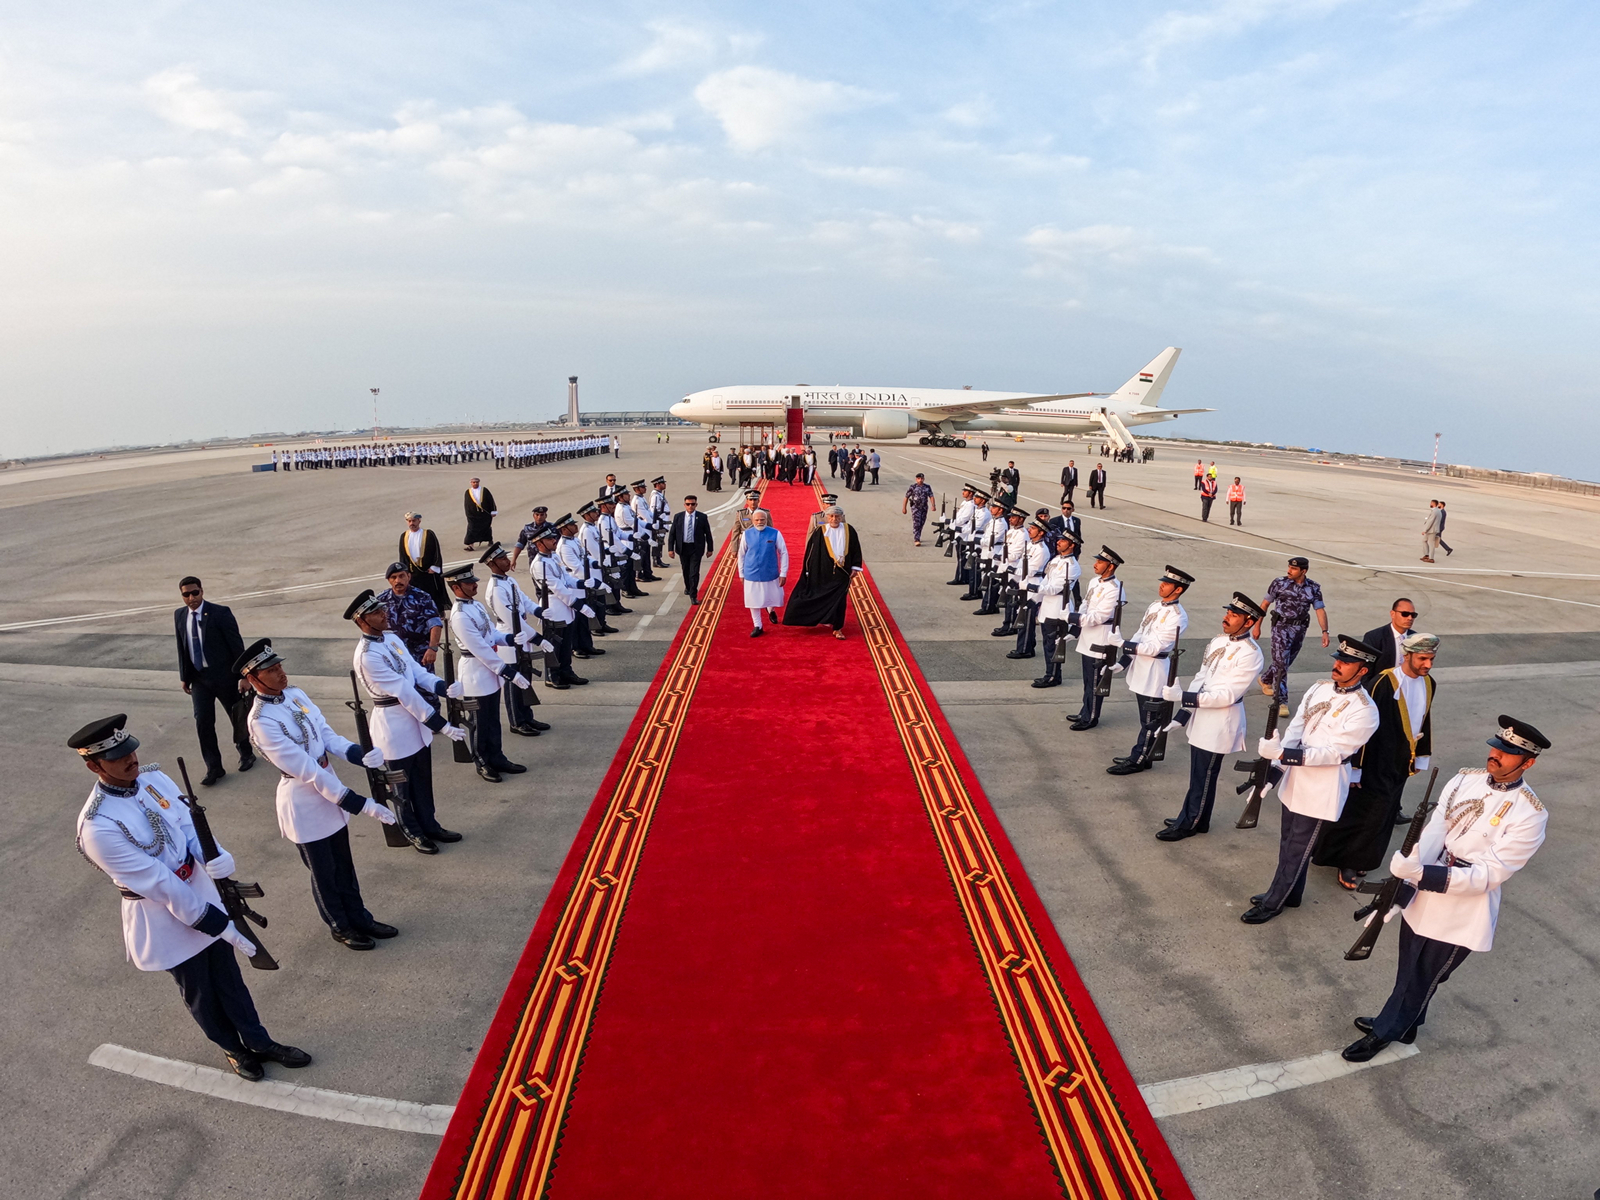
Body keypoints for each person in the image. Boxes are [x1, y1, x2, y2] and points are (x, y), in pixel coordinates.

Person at [71, 713, 311, 1081]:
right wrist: (219, 924)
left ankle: (259, 1041)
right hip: (160, 913)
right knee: (201, 989)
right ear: (94, 766)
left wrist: (213, 855)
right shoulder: (98, 826)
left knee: (230, 979)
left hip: (198, 888)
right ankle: (232, 1048)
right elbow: (159, 884)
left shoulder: (152, 779)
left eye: (130, 750)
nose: (130, 759)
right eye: (117, 757)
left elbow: (187, 824)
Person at [1341, 715, 1550, 1063]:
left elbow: (1490, 875)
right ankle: (1406, 1024)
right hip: (1427, 885)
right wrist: (1407, 877)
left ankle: (1386, 1030)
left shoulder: (1531, 813)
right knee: (1409, 966)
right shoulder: (1465, 779)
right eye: (1496, 746)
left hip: (1464, 907)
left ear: (1527, 763)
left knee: (1424, 975)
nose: (1496, 754)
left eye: (1508, 752)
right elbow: (1435, 831)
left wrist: (1423, 875)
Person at [238, 638, 402, 951]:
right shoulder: (261, 721)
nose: (280, 673)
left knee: (344, 865)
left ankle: (360, 917)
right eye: (271, 670)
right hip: (304, 800)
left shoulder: (295, 694)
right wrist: (363, 805)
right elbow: (307, 770)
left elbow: (325, 734)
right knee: (324, 871)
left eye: (279, 666)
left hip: (330, 789)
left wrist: (358, 753)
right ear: (253, 678)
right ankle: (340, 925)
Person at [1239, 635, 1381, 925]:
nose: (1338, 665)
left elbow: (1334, 753)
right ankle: (1292, 893)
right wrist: (1275, 768)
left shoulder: (1365, 710)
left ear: (1363, 670)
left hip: (1321, 785)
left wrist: (1285, 755)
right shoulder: (1319, 688)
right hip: (1296, 777)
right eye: (1338, 659)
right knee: (1288, 841)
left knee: (1297, 848)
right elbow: (1296, 728)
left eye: (1346, 663)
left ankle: (1274, 901)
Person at [347, 589, 468, 853]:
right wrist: (441, 725)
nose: (384, 614)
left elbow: (414, 671)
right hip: (394, 726)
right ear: (362, 620)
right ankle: (412, 831)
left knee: (423, 780)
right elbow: (404, 691)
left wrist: (442, 686)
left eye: (382, 609)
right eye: (377, 612)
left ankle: (430, 825)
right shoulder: (367, 655)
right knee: (402, 787)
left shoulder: (391, 638)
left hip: (414, 721)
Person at [1315, 631, 1437, 888]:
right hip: (1374, 761)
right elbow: (1362, 729)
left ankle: (1364, 859)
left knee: (1384, 814)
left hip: (1400, 764)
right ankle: (1345, 861)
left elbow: (1424, 720)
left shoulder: (1429, 683)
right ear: (1407, 656)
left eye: (1431, 659)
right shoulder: (1383, 683)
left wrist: (1419, 757)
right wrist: (1356, 768)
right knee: (1363, 812)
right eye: (1423, 659)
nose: (1428, 665)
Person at [1156, 593, 1265, 840]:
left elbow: (1227, 695)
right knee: (1199, 774)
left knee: (1204, 775)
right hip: (1202, 717)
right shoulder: (1218, 641)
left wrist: (1184, 697)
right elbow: (1201, 677)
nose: (1226, 617)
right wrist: (1184, 713)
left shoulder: (1250, 653)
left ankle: (1189, 823)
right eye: (1228, 612)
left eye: (1234, 615)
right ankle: (1198, 818)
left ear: (1249, 622)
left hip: (1220, 721)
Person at [444, 565, 531, 782]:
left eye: (473, 581)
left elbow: (491, 634)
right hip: (475, 674)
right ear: (456, 587)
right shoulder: (460, 615)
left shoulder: (476, 605)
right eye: (468, 583)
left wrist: (510, 639)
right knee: (479, 722)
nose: (474, 585)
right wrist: (508, 672)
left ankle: (497, 757)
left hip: (489, 672)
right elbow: (481, 649)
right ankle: (482, 761)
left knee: (493, 719)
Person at [1107, 565, 1192, 774]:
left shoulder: (1177, 616)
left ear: (1178, 589)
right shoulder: (1155, 606)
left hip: (1155, 672)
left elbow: (1155, 648)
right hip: (1141, 668)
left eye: (1167, 584)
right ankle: (1144, 755)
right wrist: (1124, 661)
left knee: (1150, 722)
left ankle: (1138, 759)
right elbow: (1141, 634)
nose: (1162, 586)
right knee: (1145, 719)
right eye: (1163, 582)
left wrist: (1123, 644)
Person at [174, 577, 252, 786]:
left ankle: (246, 753)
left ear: (202, 591)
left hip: (224, 676)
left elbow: (236, 645)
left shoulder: (220, 613)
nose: (191, 598)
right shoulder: (180, 615)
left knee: (236, 716)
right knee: (203, 722)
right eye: (186, 594)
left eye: (195, 593)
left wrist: (244, 676)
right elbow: (182, 646)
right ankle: (214, 767)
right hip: (199, 679)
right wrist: (184, 677)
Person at [480, 542, 553, 730]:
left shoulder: (509, 580)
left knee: (525, 678)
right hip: (509, 638)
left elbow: (524, 600)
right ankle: (517, 722)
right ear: (492, 564)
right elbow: (512, 621)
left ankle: (527, 717)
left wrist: (538, 611)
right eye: (502, 559)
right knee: (514, 684)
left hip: (522, 636)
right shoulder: (496, 589)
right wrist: (537, 638)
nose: (507, 561)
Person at [1257, 556, 1330, 711]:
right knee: (1281, 665)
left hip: (1299, 629)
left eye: (1294, 568)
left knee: (1286, 661)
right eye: (1289, 567)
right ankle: (1281, 701)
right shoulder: (1279, 583)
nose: (1289, 570)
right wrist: (1257, 626)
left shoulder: (1313, 588)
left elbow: (1320, 610)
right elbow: (1264, 604)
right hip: (1280, 627)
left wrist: (1325, 631)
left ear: (1304, 571)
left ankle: (1265, 679)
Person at [783, 504, 863, 639]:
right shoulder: (820, 531)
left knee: (840, 601)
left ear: (841, 517)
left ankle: (838, 628)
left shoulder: (849, 530)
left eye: (837, 516)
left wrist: (855, 567)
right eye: (831, 516)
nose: (834, 519)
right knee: (821, 597)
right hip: (823, 572)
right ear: (827, 517)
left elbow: (856, 549)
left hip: (842, 573)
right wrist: (808, 571)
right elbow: (811, 553)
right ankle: (824, 618)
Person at [528, 520, 590, 689]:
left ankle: (566, 671)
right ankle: (552, 675)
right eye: (549, 539)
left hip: (564, 607)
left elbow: (566, 578)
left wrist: (581, 584)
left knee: (566, 643)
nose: (554, 540)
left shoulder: (553, 557)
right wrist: (579, 605)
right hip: (553, 607)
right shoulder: (539, 564)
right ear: (540, 544)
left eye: (553, 538)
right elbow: (557, 588)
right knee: (555, 644)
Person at [1069, 545, 1125, 728]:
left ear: (1110, 566)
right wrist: (1078, 620)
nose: (1095, 564)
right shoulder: (1094, 582)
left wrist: (1072, 618)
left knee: (1095, 682)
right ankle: (1085, 710)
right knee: (1087, 680)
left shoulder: (1115, 589)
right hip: (1088, 636)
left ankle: (1091, 716)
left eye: (1100, 562)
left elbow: (1099, 617)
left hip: (1100, 638)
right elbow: (1085, 604)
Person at [1031, 529, 1081, 686]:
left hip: (1058, 609)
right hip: (1048, 607)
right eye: (1059, 540)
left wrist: (1032, 587)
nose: (1058, 542)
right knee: (1048, 644)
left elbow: (1054, 589)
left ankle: (1052, 676)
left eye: (1063, 541)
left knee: (1053, 645)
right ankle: (1050, 674)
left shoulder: (1071, 566)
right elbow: (1047, 580)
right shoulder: (1057, 559)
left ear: (1071, 545)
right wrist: (1035, 600)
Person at [379, 562, 443, 669]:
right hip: (393, 654)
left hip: (419, 654)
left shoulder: (422, 597)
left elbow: (435, 624)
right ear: (388, 580)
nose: (398, 581)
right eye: (393, 577)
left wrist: (432, 648)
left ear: (408, 576)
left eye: (401, 576)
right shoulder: (381, 600)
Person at [1007, 518, 1054, 660]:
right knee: (1022, 614)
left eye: (1033, 529)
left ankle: (1024, 649)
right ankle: (1027, 646)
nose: (1030, 530)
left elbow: (1032, 570)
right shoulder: (1030, 545)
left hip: (1032, 584)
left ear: (1041, 533)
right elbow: (1022, 564)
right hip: (1024, 582)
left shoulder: (1042, 550)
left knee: (1026, 618)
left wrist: (1014, 570)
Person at [738, 509, 788, 637]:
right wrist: (741, 573)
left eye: (762, 520)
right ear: (753, 521)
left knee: (773, 597)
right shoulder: (747, 534)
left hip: (770, 572)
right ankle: (758, 625)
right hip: (751, 573)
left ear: (766, 520)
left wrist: (783, 573)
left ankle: (771, 610)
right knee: (753, 600)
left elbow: (783, 552)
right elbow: (741, 554)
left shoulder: (775, 533)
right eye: (757, 520)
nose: (760, 522)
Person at [397, 512, 449, 618]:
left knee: (432, 592)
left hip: (428, 571)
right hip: (413, 573)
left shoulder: (428, 534)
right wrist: (404, 572)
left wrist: (434, 567)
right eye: (409, 521)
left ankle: (438, 611)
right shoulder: (404, 536)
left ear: (419, 521)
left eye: (414, 521)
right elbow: (403, 556)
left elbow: (436, 551)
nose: (411, 523)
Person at [667, 495, 715, 604]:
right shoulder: (678, 517)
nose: (690, 506)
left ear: (696, 505)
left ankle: (693, 595)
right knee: (686, 570)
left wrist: (710, 549)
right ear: (684, 505)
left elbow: (708, 533)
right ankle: (688, 587)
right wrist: (670, 549)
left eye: (692, 504)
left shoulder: (702, 517)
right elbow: (672, 534)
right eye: (688, 504)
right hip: (683, 547)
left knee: (694, 572)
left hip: (696, 548)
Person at [1364, 597, 1420, 681]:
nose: (1410, 618)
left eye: (1413, 615)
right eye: (1405, 614)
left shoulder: (1415, 638)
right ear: (1392, 614)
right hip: (1383, 686)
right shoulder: (1374, 637)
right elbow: (1366, 671)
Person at [463, 477, 497, 551]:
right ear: (471, 483)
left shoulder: (484, 490)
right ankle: (470, 545)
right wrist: (468, 514)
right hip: (473, 515)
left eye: (476, 482)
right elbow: (467, 504)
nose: (475, 484)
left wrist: (493, 511)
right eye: (473, 482)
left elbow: (491, 501)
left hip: (484, 514)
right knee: (471, 528)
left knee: (486, 527)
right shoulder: (468, 492)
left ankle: (489, 540)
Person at [903, 473, 934, 545]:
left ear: (924, 479)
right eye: (919, 478)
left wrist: (933, 505)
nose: (920, 480)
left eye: (922, 479)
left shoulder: (927, 487)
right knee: (917, 523)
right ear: (916, 479)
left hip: (924, 507)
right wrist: (904, 508)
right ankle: (916, 539)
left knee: (922, 523)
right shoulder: (913, 487)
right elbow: (906, 497)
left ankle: (918, 535)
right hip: (915, 508)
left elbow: (931, 496)